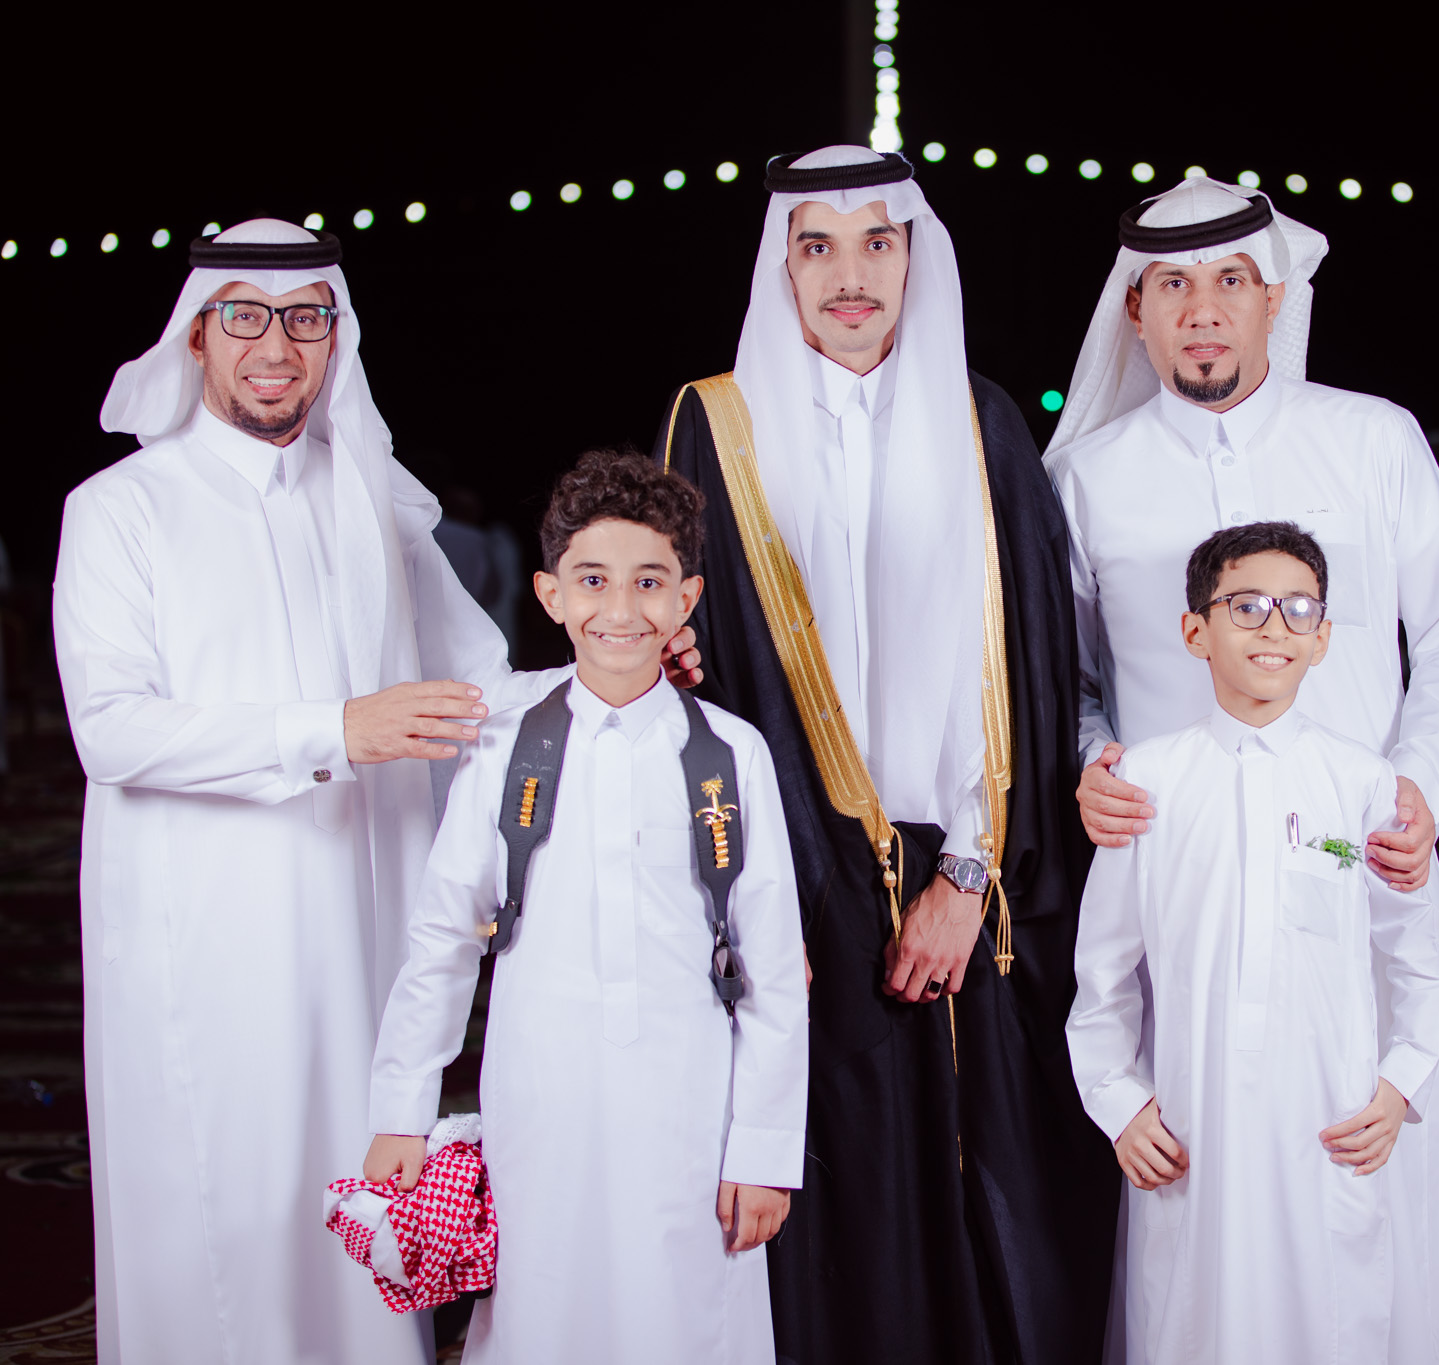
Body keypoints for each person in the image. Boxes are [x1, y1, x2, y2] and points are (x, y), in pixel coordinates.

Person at [52, 220, 559, 1363]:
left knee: (360, 1201)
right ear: (195, 336)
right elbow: (111, 729)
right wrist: (336, 730)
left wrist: (623, 671)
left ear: (338, 336)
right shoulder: (122, 508)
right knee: (215, 1218)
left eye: (305, 317)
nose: (276, 347)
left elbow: (478, 693)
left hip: (363, 938)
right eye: (245, 316)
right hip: (200, 943)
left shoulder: (373, 506)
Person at [652, 146, 1115, 1365]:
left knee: (977, 1187)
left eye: (876, 243)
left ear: (915, 259)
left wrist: (969, 875)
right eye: (816, 246)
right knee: (818, 1187)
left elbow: (1027, 665)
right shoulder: (714, 423)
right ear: (781, 265)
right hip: (789, 876)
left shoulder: (982, 422)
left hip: (963, 883)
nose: (848, 275)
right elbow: (681, 649)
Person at [1045, 175, 1439, 1363]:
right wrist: (1090, 761)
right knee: (1199, 1202)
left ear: (1276, 298)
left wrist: (1416, 786)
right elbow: (1064, 677)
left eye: (1229, 282)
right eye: (1171, 285)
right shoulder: (1086, 476)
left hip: (1363, 859)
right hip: (1182, 888)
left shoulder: (1371, 438)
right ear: (1135, 311)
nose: (1201, 310)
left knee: (1380, 1174)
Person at [364, 450, 808, 1363]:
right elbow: (444, 937)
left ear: (685, 599)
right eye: (593, 580)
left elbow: (770, 971)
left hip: (692, 1106)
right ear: (551, 594)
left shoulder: (730, 756)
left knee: (687, 1315)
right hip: (541, 1097)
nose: (620, 609)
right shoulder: (506, 750)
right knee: (544, 1308)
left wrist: (764, 1149)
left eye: (649, 581)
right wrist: (402, 1107)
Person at [1068, 522, 1439, 1365]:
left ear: (1323, 638)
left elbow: (1417, 956)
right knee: (1193, 1322)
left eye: (1298, 609)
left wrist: (1400, 1083)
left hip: (1329, 1122)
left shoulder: (1363, 783)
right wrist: (1119, 1101)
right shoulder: (1148, 782)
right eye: (1246, 606)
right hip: (1191, 1129)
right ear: (1195, 630)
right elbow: (1102, 973)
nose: (1274, 626)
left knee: (1332, 1325)